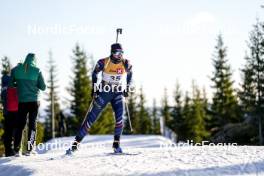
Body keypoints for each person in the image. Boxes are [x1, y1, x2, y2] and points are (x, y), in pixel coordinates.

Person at [67, 43, 132, 154]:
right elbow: (94, 73)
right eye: (117, 53)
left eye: (121, 53)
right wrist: (94, 88)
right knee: (91, 118)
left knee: (120, 119)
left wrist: (127, 86)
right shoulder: (103, 62)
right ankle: (75, 145)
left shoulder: (125, 63)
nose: (119, 56)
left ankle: (116, 145)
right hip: (105, 92)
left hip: (117, 92)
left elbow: (130, 74)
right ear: (112, 53)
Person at [9, 53, 46, 156]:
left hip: (22, 101)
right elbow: (43, 87)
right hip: (34, 101)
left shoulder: (16, 70)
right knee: (32, 124)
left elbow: (11, 84)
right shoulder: (37, 70)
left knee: (20, 125)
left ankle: (17, 150)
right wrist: (34, 84)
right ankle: (30, 149)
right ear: (34, 60)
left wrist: (19, 84)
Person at [1, 70, 18, 157]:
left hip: (6, 112)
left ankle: (8, 151)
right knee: (15, 131)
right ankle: (15, 150)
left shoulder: (3, 88)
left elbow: (3, 100)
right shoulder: (13, 84)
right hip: (14, 111)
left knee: (8, 132)